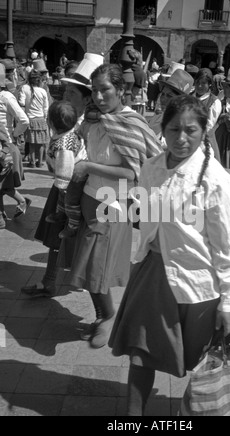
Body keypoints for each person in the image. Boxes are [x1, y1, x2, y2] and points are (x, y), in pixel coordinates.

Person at [109, 95, 230, 416]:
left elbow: (228, 248)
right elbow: (147, 216)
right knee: (140, 352)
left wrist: (227, 303)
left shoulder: (216, 180)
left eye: (190, 130)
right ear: (162, 129)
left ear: (205, 130)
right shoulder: (151, 168)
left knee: (202, 363)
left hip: (200, 284)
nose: (181, 138)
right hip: (152, 274)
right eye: (174, 129)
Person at [58, 63, 162, 349]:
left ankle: (108, 316)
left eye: (106, 90)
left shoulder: (132, 123)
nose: (100, 97)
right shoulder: (91, 120)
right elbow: (76, 147)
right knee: (87, 265)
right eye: (95, 90)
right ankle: (104, 315)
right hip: (88, 199)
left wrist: (89, 165)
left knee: (95, 266)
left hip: (114, 204)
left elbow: (135, 172)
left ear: (122, 90)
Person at [21, 53, 101, 299]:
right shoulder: (70, 121)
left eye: (73, 94)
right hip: (64, 189)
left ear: (88, 99)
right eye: (66, 92)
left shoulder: (92, 125)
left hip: (84, 192)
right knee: (56, 237)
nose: (66, 96)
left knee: (84, 246)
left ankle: (99, 306)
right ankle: (49, 282)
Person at [45, 101, 88, 239]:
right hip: (70, 175)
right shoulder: (65, 133)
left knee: (70, 200)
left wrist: (63, 184)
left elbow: (66, 166)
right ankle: (61, 214)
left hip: (74, 177)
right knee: (62, 197)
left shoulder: (64, 145)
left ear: (51, 122)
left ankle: (73, 226)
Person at [0, 63, 30, 228]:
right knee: (3, 185)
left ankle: (19, 203)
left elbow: (24, 120)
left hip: (6, 148)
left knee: (4, 184)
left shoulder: (6, 97)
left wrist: (14, 135)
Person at [148, 69, 195, 148]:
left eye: (169, 96)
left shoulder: (187, 125)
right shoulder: (157, 118)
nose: (163, 99)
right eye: (163, 94)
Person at [18, 69, 49, 168]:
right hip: (41, 120)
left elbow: (22, 103)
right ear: (39, 80)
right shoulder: (43, 91)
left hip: (29, 120)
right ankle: (39, 162)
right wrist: (45, 118)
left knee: (31, 143)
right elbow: (46, 108)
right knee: (40, 144)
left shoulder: (24, 88)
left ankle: (32, 162)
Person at [194, 68, 222, 162]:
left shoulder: (214, 102)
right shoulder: (189, 97)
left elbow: (208, 127)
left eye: (203, 83)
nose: (199, 86)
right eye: (197, 82)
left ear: (210, 84)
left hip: (204, 144)